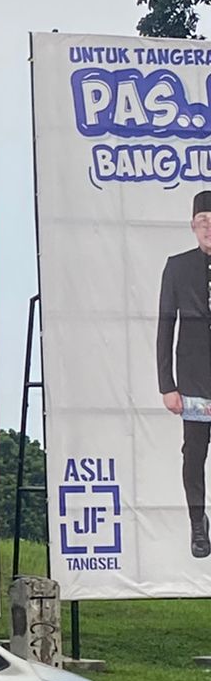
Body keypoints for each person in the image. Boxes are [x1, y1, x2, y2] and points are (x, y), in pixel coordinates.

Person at [156, 190, 211, 557]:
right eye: (203, 221)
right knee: (194, 454)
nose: (209, 228)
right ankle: (197, 523)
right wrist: (167, 385)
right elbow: (165, 325)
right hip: (193, 380)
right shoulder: (177, 266)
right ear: (193, 226)